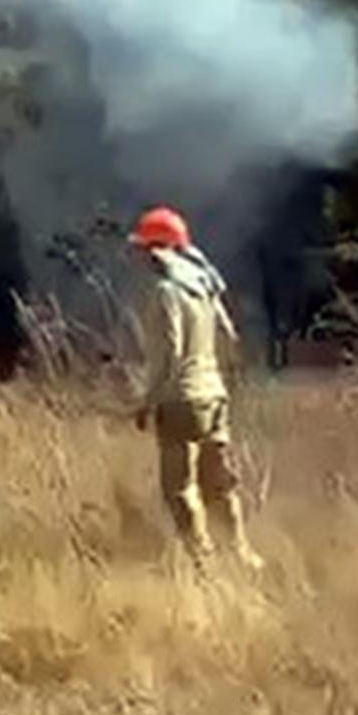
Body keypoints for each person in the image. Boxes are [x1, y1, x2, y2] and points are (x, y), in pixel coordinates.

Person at [129, 206, 260, 570]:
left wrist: (147, 401)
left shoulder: (166, 291)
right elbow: (229, 338)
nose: (140, 256)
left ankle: (204, 565)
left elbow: (170, 353)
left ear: (157, 250)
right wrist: (221, 382)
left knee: (180, 488)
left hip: (181, 399)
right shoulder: (205, 287)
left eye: (143, 248)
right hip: (213, 394)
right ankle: (242, 554)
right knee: (220, 484)